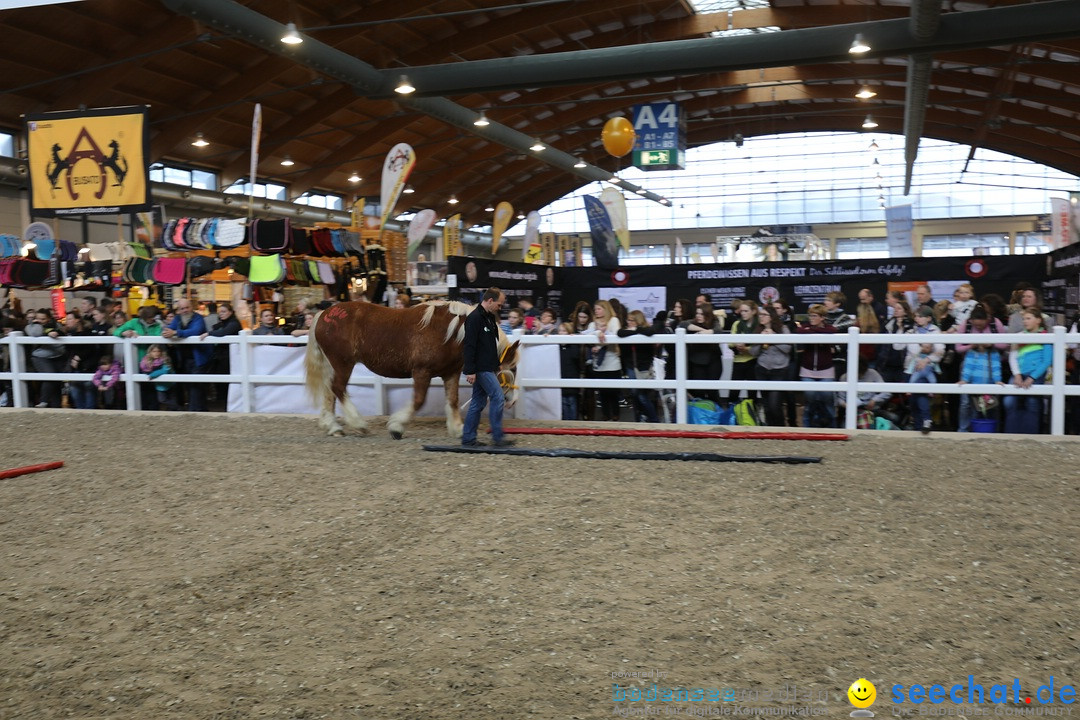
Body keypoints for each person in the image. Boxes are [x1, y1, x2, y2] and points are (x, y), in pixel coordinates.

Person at [461, 288, 514, 447]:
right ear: (490, 301)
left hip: (486, 366)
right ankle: (498, 437)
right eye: (499, 304)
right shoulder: (475, 318)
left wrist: (496, 365)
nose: (500, 308)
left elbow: (490, 345)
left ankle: (469, 438)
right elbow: (469, 346)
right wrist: (470, 370)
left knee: (478, 402)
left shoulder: (488, 318)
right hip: (481, 368)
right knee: (497, 397)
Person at [1002, 308, 1052, 434]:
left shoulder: (1046, 337)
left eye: (1028, 318)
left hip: (1036, 375)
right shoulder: (1019, 336)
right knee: (1009, 401)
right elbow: (1013, 356)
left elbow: (1046, 361)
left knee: (1032, 401)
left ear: (1038, 320)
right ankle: (1011, 431)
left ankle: (1032, 433)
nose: (1025, 321)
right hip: (1020, 373)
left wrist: (1032, 378)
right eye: (1024, 318)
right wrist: (1017, 375)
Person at [162, 298, 211, 412]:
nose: (185, 310)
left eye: (187, 307)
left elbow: (196, 331)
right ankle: (200, 410)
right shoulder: (178, 319)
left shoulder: (198, 318)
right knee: (189, 385)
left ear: (191, 307)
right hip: (184, 358)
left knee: (196, 385)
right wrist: (166, 332)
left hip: (199, 357)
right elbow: (170, 329)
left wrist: (176, 333)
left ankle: (194, 410)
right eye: (182, 308)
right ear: (178, 310)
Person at [904, 305, 945, 434]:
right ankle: (920, 424)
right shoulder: (911, 331)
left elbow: (940, 351)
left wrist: (926, 359)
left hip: (927, 367)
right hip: (911, 367)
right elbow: (906, 348)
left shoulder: (935, 331)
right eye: (916, 316)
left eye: (920, 316)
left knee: (920, 392)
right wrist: (924, 349)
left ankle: (925, 421)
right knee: (913, 400)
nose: (917, 319)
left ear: (928, 318)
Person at [750, 305, 793, 427]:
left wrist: (773, 337)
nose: (761, 317)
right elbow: (753, 352)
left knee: (775, 404)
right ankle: (769, 428)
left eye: (764, 315)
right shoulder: (758, 330)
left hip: (779, 370)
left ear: (771, 317)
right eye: (760, 315)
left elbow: (787, 348)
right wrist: (760, 340)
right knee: (766, 404)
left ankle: (780, 428)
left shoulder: (783, 329)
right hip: (762, 368)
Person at [617, 309, 660, 422]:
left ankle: (653, 419)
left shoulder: (647, 329)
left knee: (642, 396)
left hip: (644, 367)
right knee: (635, 395)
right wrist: (635, 331)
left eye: (632, 320)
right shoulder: (628, 330)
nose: (628, 322)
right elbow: (619, 333)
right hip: (631, 366)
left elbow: (650, 331)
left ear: (638, 320)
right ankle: (639, 419)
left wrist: (635, 330)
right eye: (628, 320)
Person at [798, 304, 837, 428]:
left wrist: (813, 330)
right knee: (810, 399)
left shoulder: (827, 328)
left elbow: (832, 330)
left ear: (822, 317)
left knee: (827, 399)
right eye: (810, 316)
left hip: (826, 369)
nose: (811, 318)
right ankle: (807, 427)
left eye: (814, 316)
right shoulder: (805, 328)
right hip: (807, 369)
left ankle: (832, 427)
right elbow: (799, 331)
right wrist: (814, 330)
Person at [956, 332, 1004, 433]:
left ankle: (991, 431)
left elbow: (996, 368)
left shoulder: (994, 353)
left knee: (990, 409)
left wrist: (997, 380)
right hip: (974, 387)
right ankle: (971, 430)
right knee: (975, 410)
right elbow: (968, 367)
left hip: (989, 387)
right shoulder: (971, 353)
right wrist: (965, 379)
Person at [680, 302, 724, 404]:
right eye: (697, 313)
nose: (699, 316)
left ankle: (715, 415)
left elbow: (718, 331)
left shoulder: (714, 321)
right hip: (697, 361)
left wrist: (708, 332)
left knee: (713, 390)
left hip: (714, 361)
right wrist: (702, 330)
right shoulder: (694, 322)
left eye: (702, 314)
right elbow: (682, 324)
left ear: (707, 314)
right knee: (698, 391)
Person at [587, 299, 623, 422]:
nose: (596, 311)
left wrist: (600, 342)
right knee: (602, 392)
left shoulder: (613, 320)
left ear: (605, 309)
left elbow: (615, 336)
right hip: (598, 363)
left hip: (612, 361)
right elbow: (588, 335)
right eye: (595, 309)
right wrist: (598, 332)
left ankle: (615, 414)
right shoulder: (593, 324)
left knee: (613, 391)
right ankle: (605, 414)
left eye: (599, 309)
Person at [202, 301, 242, 405]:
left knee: (226, 379)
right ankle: (222, 400)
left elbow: (223, 332)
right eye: (220, 312)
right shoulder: (224, 323)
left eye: (224, 312)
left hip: (229, 356)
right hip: (223, 356)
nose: (221, 314)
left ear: (230, 312)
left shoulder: (234, 323)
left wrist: (209, 333)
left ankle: (226, 402)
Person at [25, 309, 67, 408]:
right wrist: (40, 327)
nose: (40, 320)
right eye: (38, 318)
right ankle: (43, 401)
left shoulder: (57, 325)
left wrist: (53, 331)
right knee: (49, 375)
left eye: (43, 319)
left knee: (57, 382)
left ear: (48, 319)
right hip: (40, 357)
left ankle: (57, 406)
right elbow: (35, 333)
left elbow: (62, 332)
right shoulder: (30, 326)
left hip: (58, 356)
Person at [836, 357, 891, 428]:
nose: (860, 375)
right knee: (845, 428)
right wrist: (848, 406)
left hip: (872, 410)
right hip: (854, 412)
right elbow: (840, 398)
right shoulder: (844, 377)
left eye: (862, 373)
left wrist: (874, 400)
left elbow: (887, 392)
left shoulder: (873, 373)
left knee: (893, 418)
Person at [557, 322, 582, 421]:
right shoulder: (556, 346)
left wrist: (572, 342)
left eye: (564, 331)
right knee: (563, 402)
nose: (561, 333)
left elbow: (576, 356)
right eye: (559, 331)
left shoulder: (573, 346)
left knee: (572, 401)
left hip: (572, 376)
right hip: (560, 377)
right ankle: (565, 423)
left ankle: (574, 423)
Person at [139, 343, 178, 411]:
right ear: (150, 352)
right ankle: (176, 407)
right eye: (154, 351)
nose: (156, 353)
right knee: (162, 399)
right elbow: (143, 368)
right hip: (159, 385)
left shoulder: (165, 359)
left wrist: (152, 375)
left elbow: (165, 370)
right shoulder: (145, 361)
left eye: (158, 351)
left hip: (170, 383)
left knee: (172, 398)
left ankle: (176, 409)